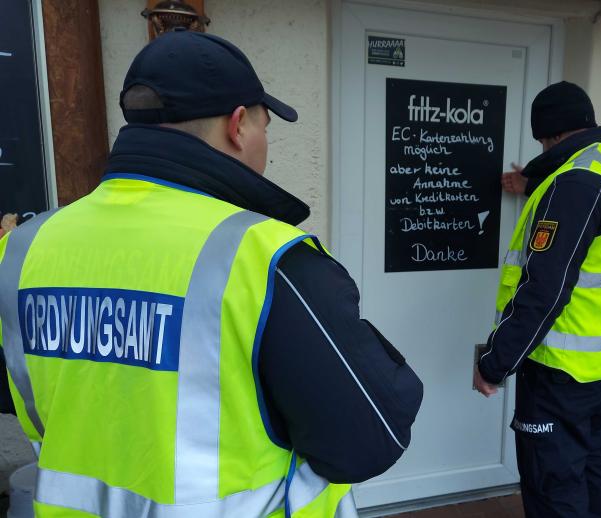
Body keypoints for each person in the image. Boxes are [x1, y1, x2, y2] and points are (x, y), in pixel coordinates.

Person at [0, 29, 423, 517]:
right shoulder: (264, 257)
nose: (266, 143)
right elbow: (370, 438)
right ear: (239, 125)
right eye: (266, 126)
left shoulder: (23, 250)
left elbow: (31, 401)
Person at [473, 81, 601, 517]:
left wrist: (494, 363)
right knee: (591, 464)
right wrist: (535, 184)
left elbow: (544, 289)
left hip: (561, 371)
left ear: (549, 134)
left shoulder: (574, 185)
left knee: (554, 481)